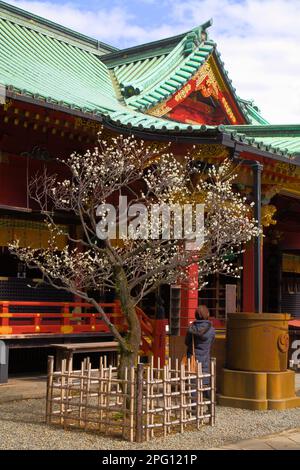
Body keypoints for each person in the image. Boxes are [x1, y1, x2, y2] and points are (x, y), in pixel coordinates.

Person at [185, 305, 215, 399]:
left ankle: (194, 409)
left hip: (193, 360)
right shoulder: (211, 330)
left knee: (193, 385)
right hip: (205, 360)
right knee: (206, 383)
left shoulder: (191, 329)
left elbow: (186, 342)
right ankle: (210, 407)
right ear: (207, 314)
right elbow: (211, 342)